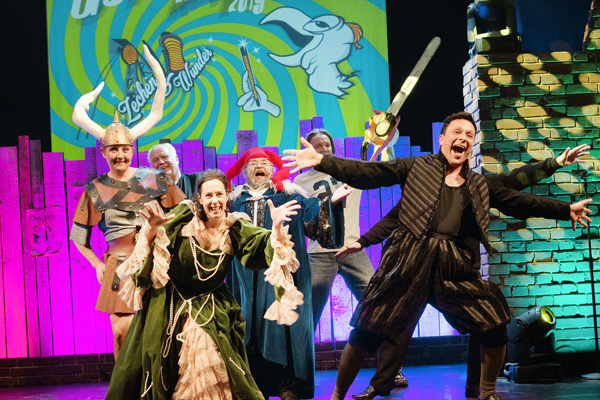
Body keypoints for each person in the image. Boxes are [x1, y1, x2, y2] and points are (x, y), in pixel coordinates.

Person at [283, 111, 593, 400]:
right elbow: (369, 173)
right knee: (367, 329)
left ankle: (487, 391)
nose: (463, 138)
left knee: (494, 322)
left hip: (453, 266)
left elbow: (519, 199)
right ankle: (338, 395)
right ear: (442, 139)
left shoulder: (478, 184)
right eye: (457, 132)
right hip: (408, 260)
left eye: (469, 135)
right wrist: (323, 161)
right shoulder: (417, 167)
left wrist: (565, 208)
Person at [105, 169, 303, 399]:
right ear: (199, 198)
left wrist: (276, 227)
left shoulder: (235, 226)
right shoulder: (184, 217)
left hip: (211, 304)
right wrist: (151, 229)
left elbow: (262, 245)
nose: (214, 201)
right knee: (160, 370)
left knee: (208, 358)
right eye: (208, 195)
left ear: (227, 195)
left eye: (219, 194)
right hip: (170, 303)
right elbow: (153, 243)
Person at [70, 45, 186, 360]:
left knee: (161, 331)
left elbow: (185, 213)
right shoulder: (96, 189)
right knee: (121, 332)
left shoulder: (154, 179)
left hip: (157, 261)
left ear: (132, 149)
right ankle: (126, 385)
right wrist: (97, 265)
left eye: (125, 149)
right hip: (118, 264)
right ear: (103, 152)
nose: (120, 155)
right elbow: (78, 237)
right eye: (114, 150)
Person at [225, 147, 350, 400]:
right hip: (244, 276)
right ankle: (253, 385)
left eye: (264, 163)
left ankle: (289, 385)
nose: (259, 167)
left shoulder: (288, 196)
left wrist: (331, 203)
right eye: (253, 164)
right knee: (249, 325)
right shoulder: (234, 202)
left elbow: (313, 215)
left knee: (284, 325)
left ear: (272, 169)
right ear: (245, 171)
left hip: (283, 274)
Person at [293, 129, 410, 394]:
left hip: (352, 250)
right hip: (319, 253)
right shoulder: (299, 182)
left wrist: (387, 136)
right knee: (306, 315)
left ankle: (391, 371)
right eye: (317, 145)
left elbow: (377, 166)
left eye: (327, 144)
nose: (323, 148)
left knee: (379, 306)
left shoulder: (349, 171)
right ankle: (299, 376)